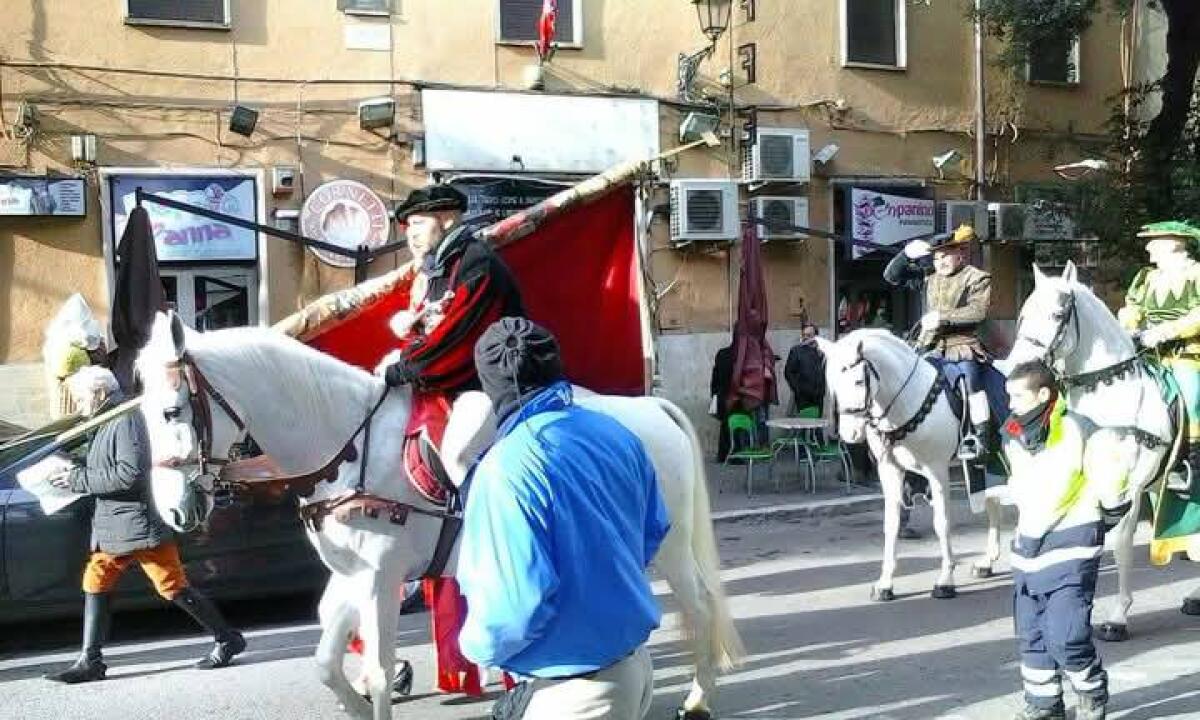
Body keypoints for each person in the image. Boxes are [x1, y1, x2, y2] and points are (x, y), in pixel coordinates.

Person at [458, 318, 671, 720]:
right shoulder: (616, 434)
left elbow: (513, 608)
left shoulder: (504, 468)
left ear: (491, 388)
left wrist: (472, 646)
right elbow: (652, 531)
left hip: (575, 691)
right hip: (634, 669)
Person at [45, 367, 244, 684]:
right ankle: (90, 660)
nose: (79, 403)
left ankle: (226, 638)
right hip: (116, 524)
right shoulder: (105, 419)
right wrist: (71, 464)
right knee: (96, 580)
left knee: (172, 586)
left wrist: (76, 479)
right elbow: (105, 464)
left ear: (98, 393)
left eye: (82, 397)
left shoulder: (124, 418)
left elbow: (129, 474)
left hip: (137, 525)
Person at [1003, 360, 1129, 720]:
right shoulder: (1012, 431)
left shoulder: (1082, 430)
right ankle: (1045, 705)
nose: (1009, 403)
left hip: (1071, 547)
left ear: (1044, 394)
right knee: (1032, 637)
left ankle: (1092, 695)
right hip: (1027, 551)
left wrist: (1093, 524)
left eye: (1017, 395)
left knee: (1066, 635)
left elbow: (1114, 493)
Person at [382, 183, 525, 394]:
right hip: (450, 382)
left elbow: (458, 335)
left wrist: (402, 370)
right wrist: (411, 325)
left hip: (491, 385)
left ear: (447, 220)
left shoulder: (476, 261)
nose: (411, 234)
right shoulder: (437, 267)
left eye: (419, 223)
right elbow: (431, 324)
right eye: (409, 227)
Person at [884, 224, 1003, 459]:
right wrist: (905, 255)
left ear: (959, 254)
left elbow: (978, 312)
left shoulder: (977, 278)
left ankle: (978, 437)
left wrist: (942, 318)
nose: (941, 262)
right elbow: (891, 276)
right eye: (937, 257)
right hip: (928, 346)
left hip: (962, 345)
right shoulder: (927, 277)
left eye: (947, 255)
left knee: (971, 383)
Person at [1118, 220, 1200, 492]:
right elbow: (1132, 307)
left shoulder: (1197, 273)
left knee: (1189, 400)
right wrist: (1130, 325)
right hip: (1149, 354)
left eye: (1154, 242)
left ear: (1173, 245)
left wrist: (1166, 331)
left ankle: (1189, 464)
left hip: (1186, 355)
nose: (1148, 248)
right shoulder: (1146, 277)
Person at [783, 324, 825, 416]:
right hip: (803, 396)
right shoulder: (796, 351)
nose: (806, 338)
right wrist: (797, 389)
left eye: (809, 335)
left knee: (817, 423)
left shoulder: (821, 351)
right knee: (803, 423)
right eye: (804, 335)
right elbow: (788, 372)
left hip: (818, 395)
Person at [710, 341, 736, 462]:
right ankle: (735, 455)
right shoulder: (740, 355)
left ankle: (723, 455)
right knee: (735, 427)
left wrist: (714, 394)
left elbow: (715, 376)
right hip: (734, 396)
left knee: (725, 427)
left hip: (722, 395)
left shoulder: (722, 354)